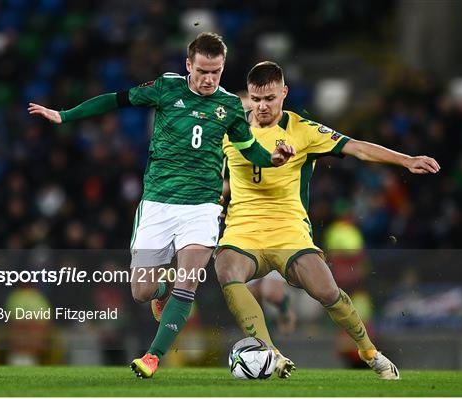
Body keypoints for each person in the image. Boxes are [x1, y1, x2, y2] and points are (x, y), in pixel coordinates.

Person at [28, 33, 295, 379]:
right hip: (158, 204)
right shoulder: (166, 88)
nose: (209, 79)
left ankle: (152, 356)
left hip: (202, 208)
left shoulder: (229, 106)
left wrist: (272, 158)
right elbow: (116, 100)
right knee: (141, 291)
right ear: (188, 65)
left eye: (216, 72)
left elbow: (249, 149)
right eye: (202, 71)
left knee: (189, 281)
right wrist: (66, 115)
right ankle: (162, 290)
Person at [215, 61, 440, 379]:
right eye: (256, 99)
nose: (263, 106)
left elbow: (358, 148)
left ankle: (370, 351)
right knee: (227, 270)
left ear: (284, 93)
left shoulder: (304, 130)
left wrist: (407, 160)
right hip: (242, 229)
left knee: (328, 293)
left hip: (289, 232)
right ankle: (271, 354)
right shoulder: (229, 126)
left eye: (270, 99)